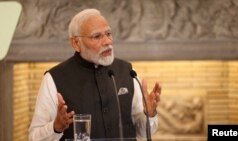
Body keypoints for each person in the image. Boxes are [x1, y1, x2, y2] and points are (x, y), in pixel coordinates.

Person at [29, 8, 161, 141]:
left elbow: (143, 132)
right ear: (76, 43)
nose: (107, 42)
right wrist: (56, 127)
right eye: (97, 36)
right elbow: (34, 137)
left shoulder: (128, 72)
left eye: (108, 34)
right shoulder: (54, 78)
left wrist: (149, 114)